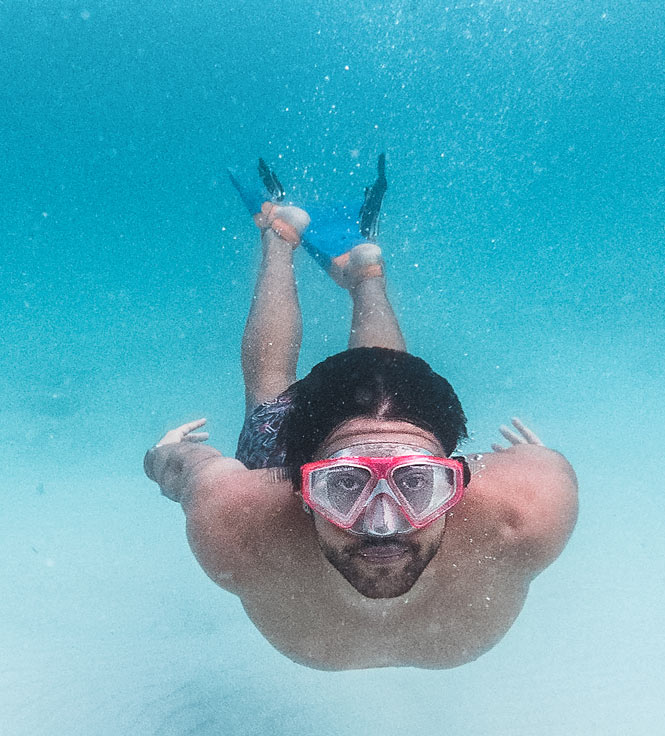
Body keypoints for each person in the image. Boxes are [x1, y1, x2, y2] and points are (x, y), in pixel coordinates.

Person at [145, 157, 577, 670]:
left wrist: (165, 457)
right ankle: (308, 252)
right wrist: (167, 458)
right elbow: (186, 475)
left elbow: (186, 475)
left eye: (417, 483)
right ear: (301, 492)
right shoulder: (240, 519)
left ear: (458, 484)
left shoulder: (525, 512)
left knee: (343, 390)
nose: (382, 523)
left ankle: (303, 241)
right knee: (273, 395)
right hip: (293, 454)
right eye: (345, 485)